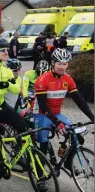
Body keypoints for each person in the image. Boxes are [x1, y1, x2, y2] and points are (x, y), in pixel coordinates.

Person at [33, 48, 94, 181]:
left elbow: (79, 100)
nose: (62, 67)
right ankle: (40, 177)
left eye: (65, 63)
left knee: (77, 137)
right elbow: (43, 107)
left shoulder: (68, 79)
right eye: (59, 63)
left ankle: (67, 162)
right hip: (42, 115)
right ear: (53, 63)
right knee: (42, 147)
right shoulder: (43, 80)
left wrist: (92, 117)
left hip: (57, 114)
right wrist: (56, 122)